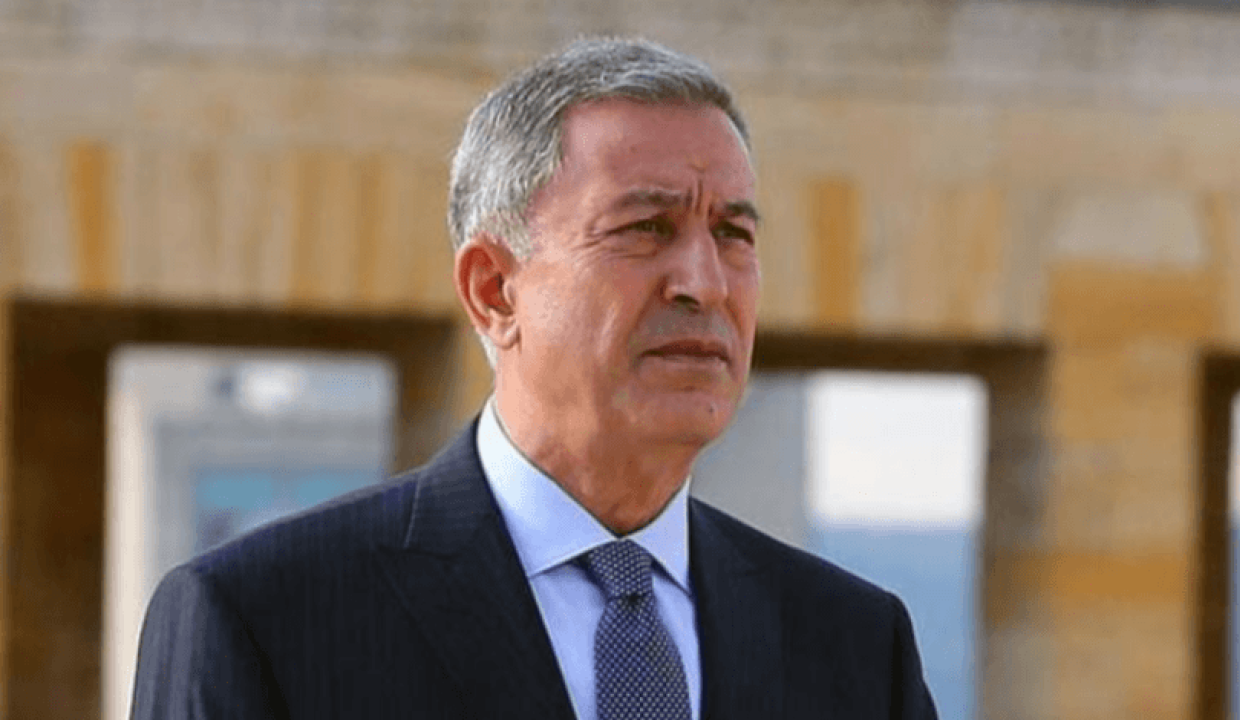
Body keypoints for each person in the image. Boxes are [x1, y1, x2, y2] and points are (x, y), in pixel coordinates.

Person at [131, 37, 939, 720]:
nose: (705, 283)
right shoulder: (266, 622)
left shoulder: (856, 648)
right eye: (645, 228)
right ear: (494, 290)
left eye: (732, 234)